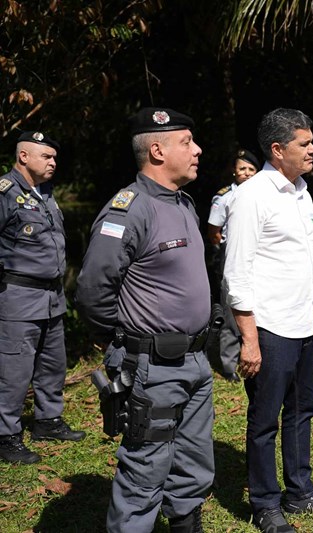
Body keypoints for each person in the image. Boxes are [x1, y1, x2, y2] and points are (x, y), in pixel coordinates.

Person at [75, 107, 214, 532]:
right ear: (157, 150)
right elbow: (92, 290)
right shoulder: (129, 209)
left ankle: (185, 522)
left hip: (195, 361)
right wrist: (119, 339)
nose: (198, 150)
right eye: (186, 142)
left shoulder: (184, 202)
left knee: (193, 459)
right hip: (152, 367)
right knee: (145, 467)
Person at [224, 108, 313, 533]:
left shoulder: (301, 191)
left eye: (311, 142)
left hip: (305, 325)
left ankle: (300, 493)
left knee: (302, 410)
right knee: (264, 420)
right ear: (278, 150)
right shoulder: (252, 196)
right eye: (304, 143)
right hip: (271, 327)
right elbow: (236, 273)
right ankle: (264, 504)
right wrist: (249, 338)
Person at [0, 131, 85, 465]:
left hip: (52, 295)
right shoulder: (6, 193)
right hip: (18, 296)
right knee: (13, 370)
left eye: (54, 157)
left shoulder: (45, 193)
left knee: (52, 363)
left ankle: (48, 421)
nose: (53, 162)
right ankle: (6, 435)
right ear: (24, 156)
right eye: (46, 156)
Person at [207, 148, 260, 382]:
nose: (247, 174)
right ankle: (229, 365)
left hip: (259, 256)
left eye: (251, 169)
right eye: (242, 169)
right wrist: (225, 253)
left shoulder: (263, 194)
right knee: (231, 310)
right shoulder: (225, 196)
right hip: (231, 254)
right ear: (234, 171)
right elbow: (214, 231)